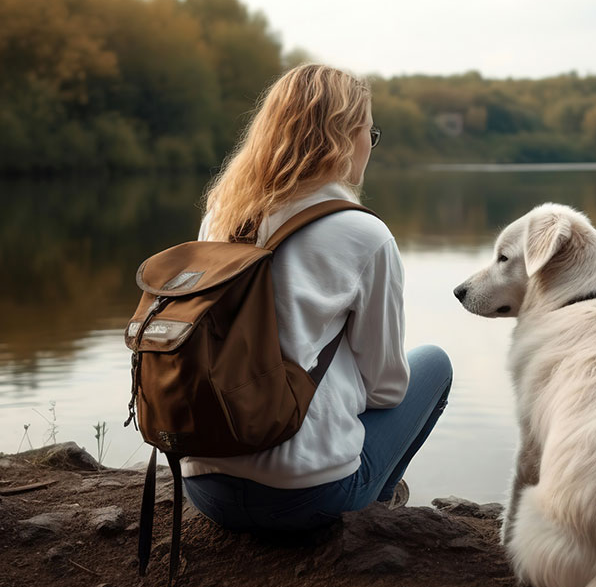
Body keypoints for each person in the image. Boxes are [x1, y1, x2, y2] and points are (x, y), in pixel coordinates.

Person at [181, 63, 451, 532]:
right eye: (370, 131)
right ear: (345, 138)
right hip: (307, 501)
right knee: (434, 364)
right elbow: (387, 389)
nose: (371, 143)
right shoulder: (364, 233)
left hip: (207, 490)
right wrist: (331, 399)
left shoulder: (222, 217)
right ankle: (375, 508)